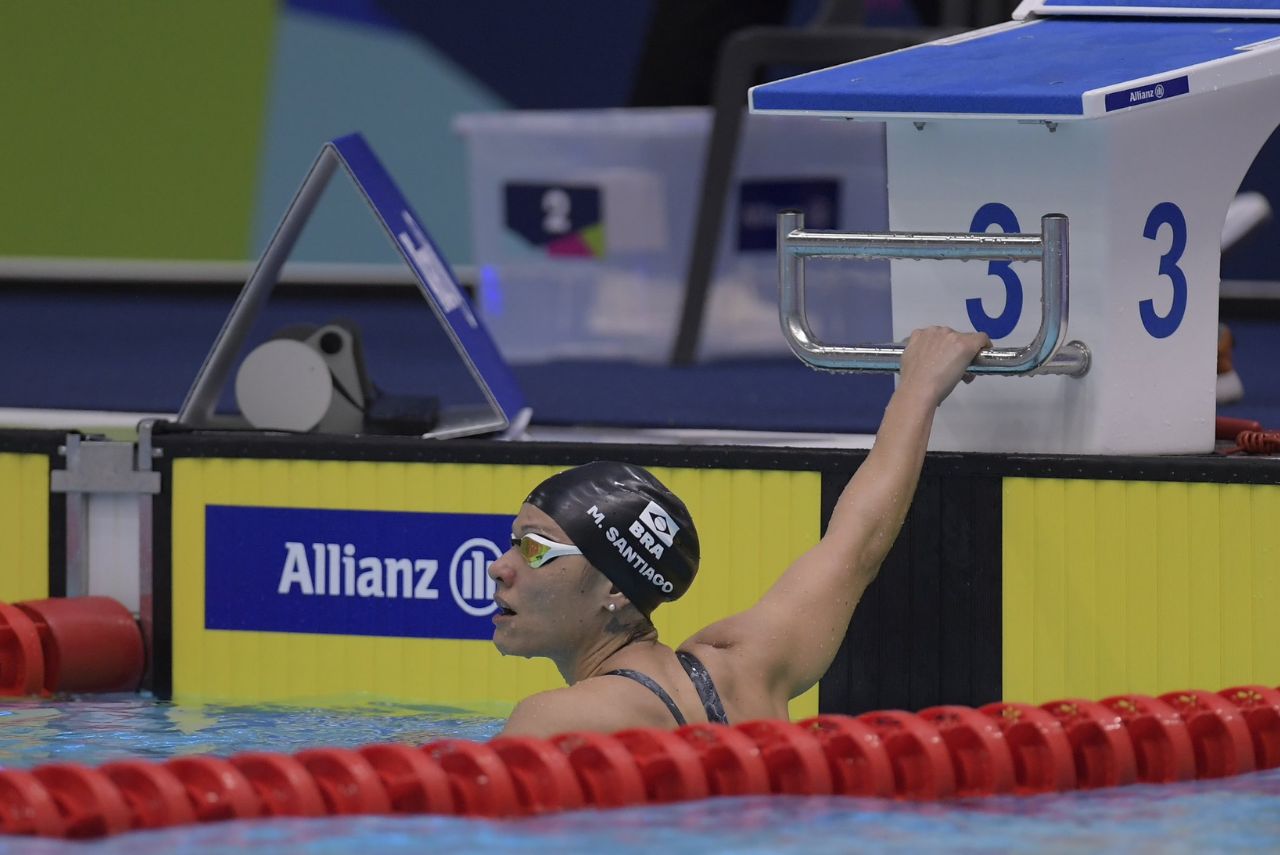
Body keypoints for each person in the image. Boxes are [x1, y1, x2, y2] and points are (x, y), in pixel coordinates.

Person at [491, 326, 991, 737]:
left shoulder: (552, 721)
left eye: (535, 547)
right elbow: (855, 543)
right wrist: (920, 387)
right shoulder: (746, 667)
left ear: (616, 588)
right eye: (513, 543)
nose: (500, 567)